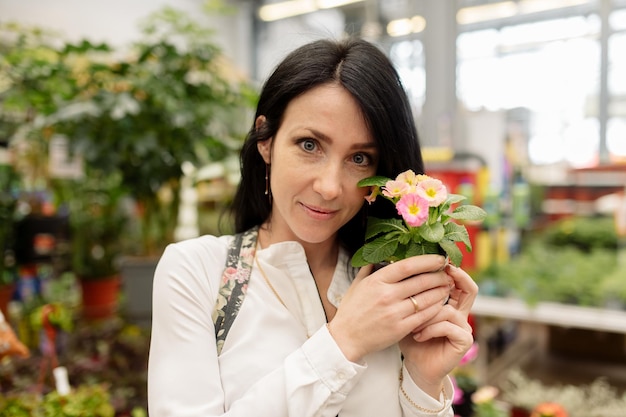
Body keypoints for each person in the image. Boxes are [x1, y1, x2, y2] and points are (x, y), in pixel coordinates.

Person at [148, 37, 477, 417]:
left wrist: (423, 382)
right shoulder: (197, 272)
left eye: (359, 157)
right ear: (266, 141)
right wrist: (343, 341)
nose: (329, 186)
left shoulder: (388, 291)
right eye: (309, 145)